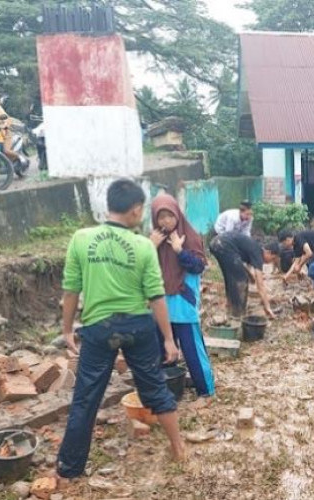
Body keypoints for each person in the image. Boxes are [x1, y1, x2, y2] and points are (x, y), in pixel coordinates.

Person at [56, 179, 185, 480]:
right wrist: (168, 339)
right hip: (138, 327)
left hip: (98, 328)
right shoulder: (142, 245)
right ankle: (178, 449)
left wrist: (66, 330)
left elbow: (71, 290)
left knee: (86, 397)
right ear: (136, 209)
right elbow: (156, 297)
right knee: (154, 387)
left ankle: (70, 468)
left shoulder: (81, 238)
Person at [150, 194, 215, 400]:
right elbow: (141, 269)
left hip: (183, 300)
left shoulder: (189, 236)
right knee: (162, 348)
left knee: (192, 348)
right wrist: (150, 247)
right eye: (161, 217)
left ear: (178, 215)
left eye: (170, 216)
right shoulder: (153, 239)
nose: (165, 221)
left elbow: (198, 266)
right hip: (161, 303)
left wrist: (179, 250)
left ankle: (205, 390)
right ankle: (169, 389)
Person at [209, 232, 279, 319]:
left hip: (216, 243)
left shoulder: (254, 247)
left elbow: (242, 264)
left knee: (230, 277)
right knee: (241, 280)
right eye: (272, 258)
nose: (270, 262)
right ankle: (238, 313)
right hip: (223, 245)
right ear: (268, 252)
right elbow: (260, 285)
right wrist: (267, 307)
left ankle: (230, 304)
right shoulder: (258, 254)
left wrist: (250, 275)